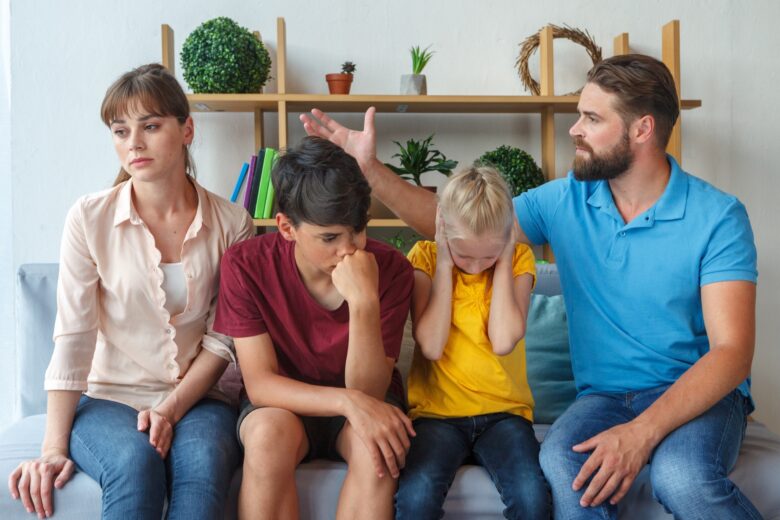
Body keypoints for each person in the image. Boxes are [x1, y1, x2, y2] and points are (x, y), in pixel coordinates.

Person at [300, 53, 761, 519]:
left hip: (694, 395)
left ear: (641, 130)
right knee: (563, 465)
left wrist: (643, 432)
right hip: (602, 398)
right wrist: (370, 168)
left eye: (591, 118)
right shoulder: (565, 200)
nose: (574, 129)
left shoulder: (717, 217)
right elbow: (464, 227)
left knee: (681, 475)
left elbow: (731, 352)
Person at [7, 63, 254, 519]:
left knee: (202, 471)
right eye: (120, 131)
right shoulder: (88, 218)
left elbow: (224, 339)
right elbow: (74, 336)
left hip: (198, 398)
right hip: (108, 398)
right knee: (135, 464)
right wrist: (52, 447)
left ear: (187, 130)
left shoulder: (232, 223)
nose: (133, 143)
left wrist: (172, 408)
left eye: (151, 126)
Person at [212, 136, 415, 520]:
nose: (350, 249)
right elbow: (260, 384)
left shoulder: (390, 268)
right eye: (329, 238)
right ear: (286, 227)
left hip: (366, 398)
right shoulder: (245, 264)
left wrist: (364, 302)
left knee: (377, 449)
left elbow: (368, 392)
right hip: (284, 401)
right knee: (267, 437)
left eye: (358, 230)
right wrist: (343, 400)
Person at [395, 166, 550, 519]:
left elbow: (503, 341)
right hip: (436, 417)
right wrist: (447, 263)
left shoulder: (518, 261)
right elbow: (431, 346)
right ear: (443, 233)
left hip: (504, 416)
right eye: (466, 255)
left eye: (488, 256)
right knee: (415, 499)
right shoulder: (426, 258)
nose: (478, 266)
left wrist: (506, 257)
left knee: (532, 498)